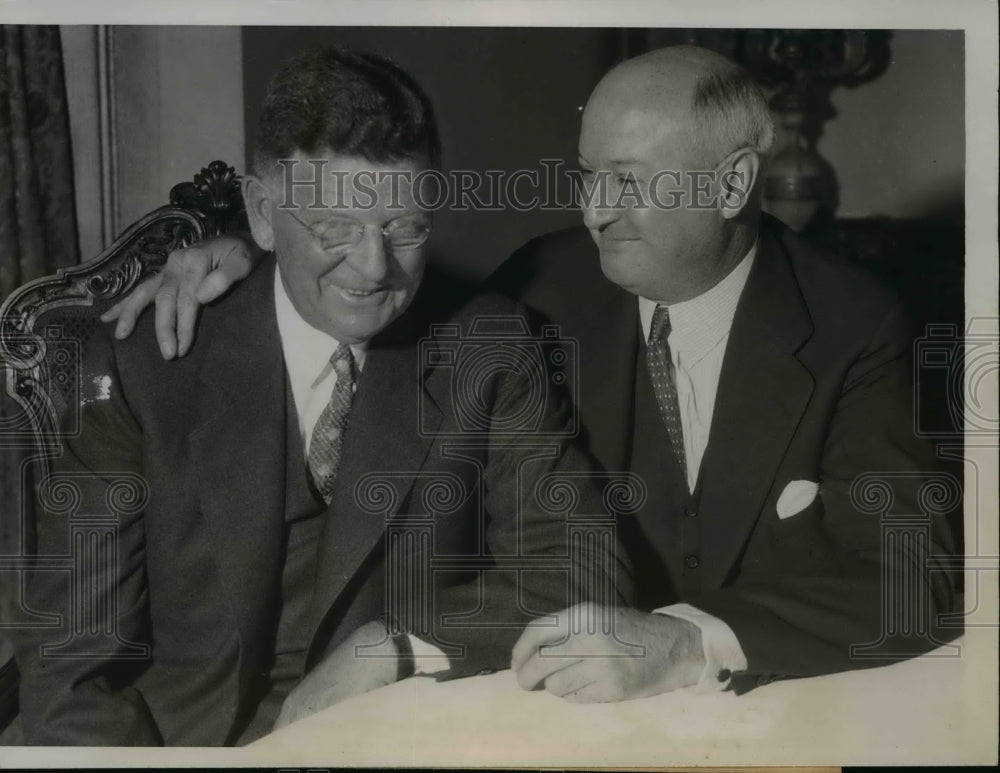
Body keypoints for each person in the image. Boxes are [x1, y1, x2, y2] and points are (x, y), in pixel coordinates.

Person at [103, 45, 958, 704]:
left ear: (733, 182)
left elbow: (916, 575)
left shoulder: (855, 321)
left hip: (776, 701)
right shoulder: (547, 282)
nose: (593, 211)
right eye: (587, 176)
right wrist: (228, 258)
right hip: (552, 707)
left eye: (627, 182)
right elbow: (374, 287)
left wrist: (694, 641)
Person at [13, 47, 631, 746]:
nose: (373, 269)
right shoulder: (143, 365)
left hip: (397, 747)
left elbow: (583, 570)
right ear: (262, 213)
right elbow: (71, 665)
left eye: (405, 228)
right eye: (335, 228)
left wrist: (391, 647)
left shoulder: (488, 344)